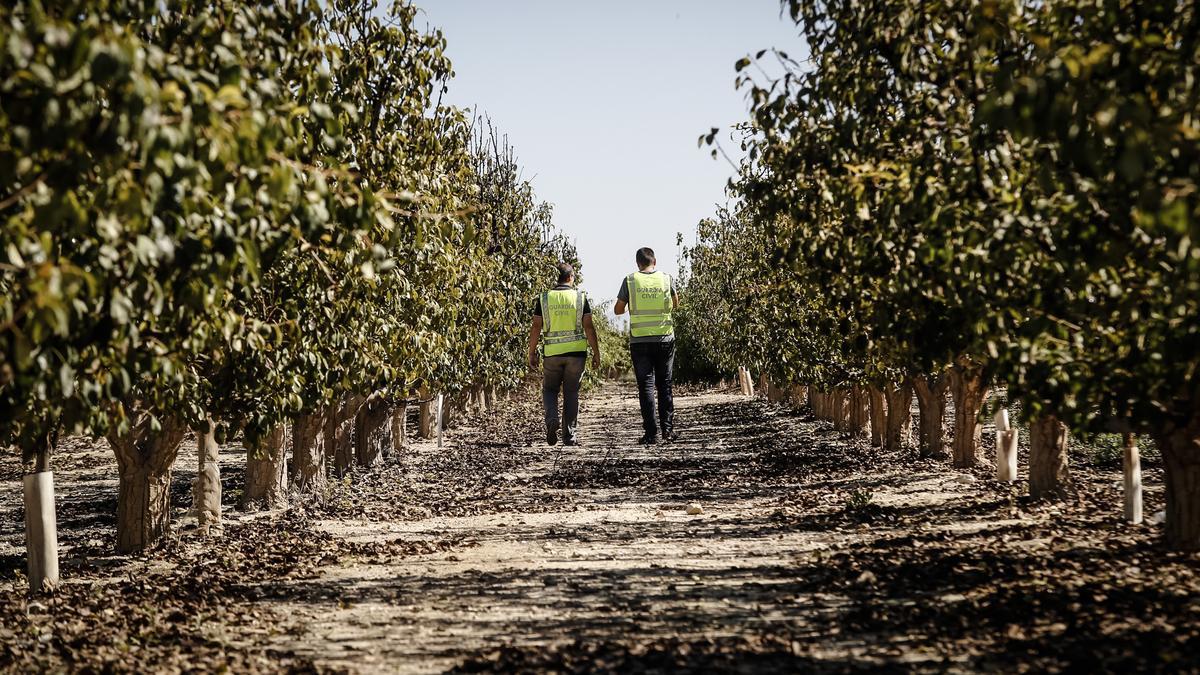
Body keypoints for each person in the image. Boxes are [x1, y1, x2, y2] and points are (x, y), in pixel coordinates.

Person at [528, 262, 601, 446]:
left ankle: (552, 419)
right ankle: (569, 436)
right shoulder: (579, 298)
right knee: (571, 392)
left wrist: (532, 352)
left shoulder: (544, 298)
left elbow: (536, 326)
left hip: (552, 353)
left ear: (558, 277)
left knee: (550, 390)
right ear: (570, 277)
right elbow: (589, 327)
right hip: (576, 354)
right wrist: (596, 352)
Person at [614, 247, 679, 444]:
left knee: (646, 387)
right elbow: (676, 304)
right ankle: (667, 430)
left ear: (637, 264)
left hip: (640, 341)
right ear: (655, 262)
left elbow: (618, 310)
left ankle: (651, 433)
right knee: (665, 384)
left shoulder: (631, 280)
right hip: (665, 340)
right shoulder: (667, 279)